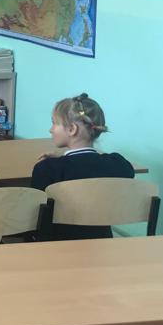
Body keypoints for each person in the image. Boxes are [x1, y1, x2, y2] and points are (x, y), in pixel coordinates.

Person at [30, 93, 134, 240]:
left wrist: (60, 160)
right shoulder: (118, 164)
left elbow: (35, 216)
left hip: (55, 245)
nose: (51, 129)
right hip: (102, 242)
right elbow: (87, 165)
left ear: (72, 129)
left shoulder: (47, 169)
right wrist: (63, 158)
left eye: (54, 123)